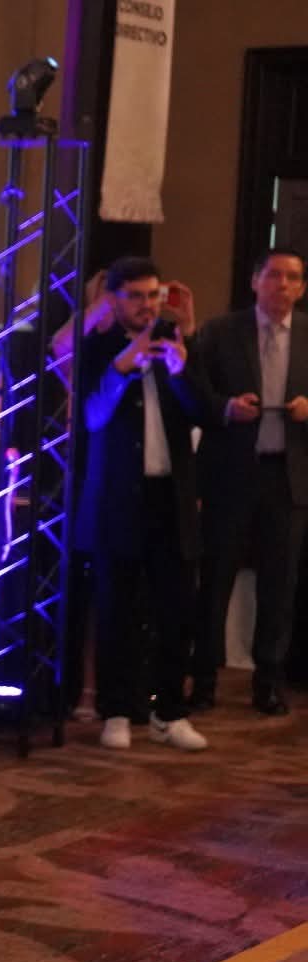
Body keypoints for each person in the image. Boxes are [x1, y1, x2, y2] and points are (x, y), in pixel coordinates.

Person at [75, 257, 213, 751]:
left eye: (153, 295)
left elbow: (207, 414)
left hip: (171, 499)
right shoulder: (98, 348)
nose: (147, 305)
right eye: (135, 296)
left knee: (177, 611)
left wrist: (180, 370)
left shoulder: (177, 344)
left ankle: (169, 713)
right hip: (119, 499)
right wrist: (122, 365)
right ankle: (115, 711)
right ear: (113, 300)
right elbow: (91, 419)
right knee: (117, 610)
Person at [188, 247, 308, 716]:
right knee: (215, 580)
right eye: (274, 275)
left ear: (302, 287)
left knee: (280, 585)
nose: (283, 285)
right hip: (231, 474)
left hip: (288, 477)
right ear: (255, 281)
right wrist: (226, 408)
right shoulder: (221, 332)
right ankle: (202, 680)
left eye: (292, 278)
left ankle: (268, 682)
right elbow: (195, 395)